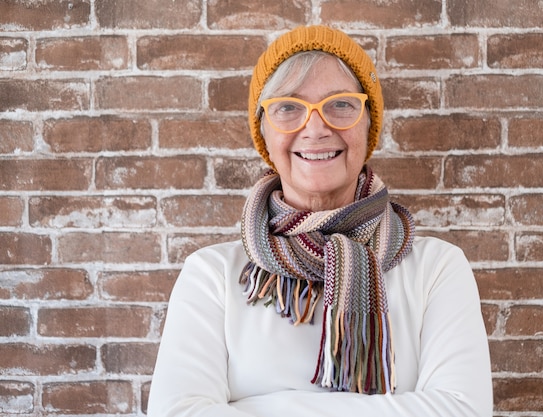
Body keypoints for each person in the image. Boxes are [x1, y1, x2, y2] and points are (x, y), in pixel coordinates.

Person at [148, 25, 493, 417]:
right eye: (288, 107)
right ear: (264, 131)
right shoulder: (210, 276)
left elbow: (462, 410)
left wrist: (261, 406)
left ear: (368, 125)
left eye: (341, 104)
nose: (315, 127)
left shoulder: (438, 269)